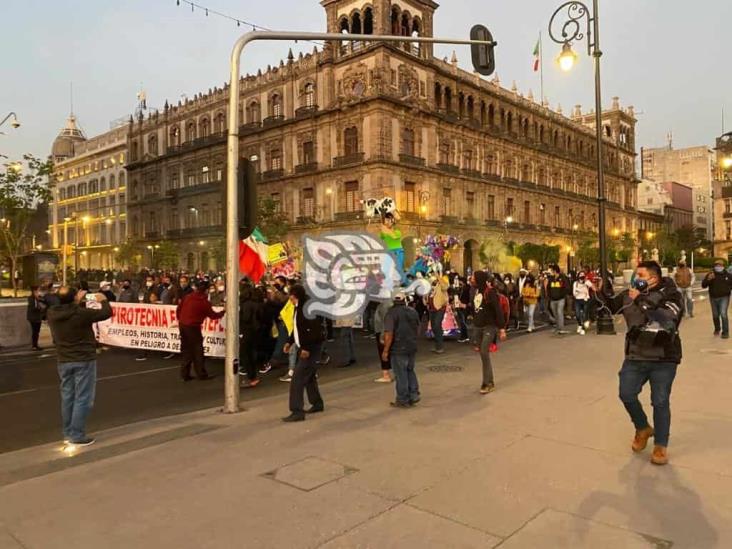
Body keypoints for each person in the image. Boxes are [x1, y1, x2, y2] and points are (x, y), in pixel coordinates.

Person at [599, 261, 683, 465]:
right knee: (626, 393)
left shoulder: (672, 294)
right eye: (635, 274)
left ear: (654, 278)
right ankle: (643, 427)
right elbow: (610, 307)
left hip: (664, 358)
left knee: (660, 401)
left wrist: (641, 300)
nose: (636, 278)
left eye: (641, 274)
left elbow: (666, 320)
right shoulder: (631, 293)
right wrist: (599, 291)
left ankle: (661, 446)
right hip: (635, 356)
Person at [47, 286, 112, 446]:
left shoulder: (52, 313)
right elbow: (106, 313)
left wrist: (77, 301)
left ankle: (68, 432)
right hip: (83, 358)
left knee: (67, 396)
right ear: (74, 298)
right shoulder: (80, 313)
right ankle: (77, 434)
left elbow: (71, 311)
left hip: (63, 359)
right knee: (83, 397)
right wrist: (103, 300)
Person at [282, 285, 325, 422]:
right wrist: (290, 341)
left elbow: (312, 330)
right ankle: (317, 403)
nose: (290, 299)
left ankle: (297, 411)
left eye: (291, 297)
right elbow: (297, 328)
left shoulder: (307, 308)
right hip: (305, 347)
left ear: (295, 296)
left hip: (310, 348)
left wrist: (306, 348)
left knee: (297, 379)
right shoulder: (298, 307)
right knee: (309, 377)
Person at [176, 280, 225, 381]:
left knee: (186, 350)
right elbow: (213, 315)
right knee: (198, 351)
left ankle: (185, 374)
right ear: (206, 291)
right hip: (193, 327)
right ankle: (201, 374)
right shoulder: (203, 302)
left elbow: (179, 309)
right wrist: (223, 312)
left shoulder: (188, 297)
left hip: (183, 325)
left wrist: (180, 319)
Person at [381, 288, 420, 407]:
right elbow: (418, 328)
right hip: (411, 346)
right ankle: (414, 395)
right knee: (410, 370)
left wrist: (385, 350)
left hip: (398, 347)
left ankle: (402, 399)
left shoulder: (391, 313)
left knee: (400, 374)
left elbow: (389, 334)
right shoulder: (412, 311)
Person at [471, 271, 506, 394]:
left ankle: (488, 382)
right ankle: (487, 380)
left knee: (484, 352)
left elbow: (498, 310)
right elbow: (475, 308)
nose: (471, 279)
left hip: (489, 327)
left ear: (479, 279)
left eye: (473, 277)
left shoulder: (490, 292)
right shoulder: (475, 291)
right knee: (482, 354)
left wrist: (501, 328)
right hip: (478, 327)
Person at [239, 285, 263, 388]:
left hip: (247, 331)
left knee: (245, 354)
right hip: (255, 331)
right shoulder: (257, 304)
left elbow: (246, 318)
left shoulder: (246, 305)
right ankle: (252, 376)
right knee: (250, 354)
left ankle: (251, 377)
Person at [701, 260, 732, 338]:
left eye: (720, 265)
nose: (718, 267)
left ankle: (725, 332)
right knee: (715, 315)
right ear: (714, 266)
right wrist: (708, 279)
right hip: (713, 298)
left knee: (723, 313)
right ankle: (717, 329)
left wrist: (727, 289)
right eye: (717, 265)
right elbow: (703, 285)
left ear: (723, 266)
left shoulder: (728, 275)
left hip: (724, 297)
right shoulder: (710, 274)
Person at [373, 298, 394, 383]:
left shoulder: (385, 305)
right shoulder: (385, 304)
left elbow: (386, 322)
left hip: (383, 332)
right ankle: (388, 374)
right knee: (388, 352)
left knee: (384, 352)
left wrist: (382, 335)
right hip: (384, 331)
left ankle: (386, 375)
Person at [546, 264, 570, 334]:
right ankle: (557, 327)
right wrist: (550, 296)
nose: (551, 271)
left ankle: (561, 328)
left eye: (552, 270)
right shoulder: (551, 278)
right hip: (553, 299)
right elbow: (548, 288)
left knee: (559, 312)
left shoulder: (563, 278)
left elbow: (567, 288)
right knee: (555, 313)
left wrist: (562, 295)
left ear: (555, 270)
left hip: (560, 299)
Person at [428, 276, 449, 353]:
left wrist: (438, 276)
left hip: (440, 308)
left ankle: (440, 347)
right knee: (434, 327)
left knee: (437, 325)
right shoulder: (430, 287)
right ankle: (437, 346)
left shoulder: (441, 286)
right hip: (432, 309)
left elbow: (445, 286)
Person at [26, 285, 47, 350]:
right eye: (38, 290)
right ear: (34, 291)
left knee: (36, 332)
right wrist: (41, 308)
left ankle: (35, 345)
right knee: (35, 331)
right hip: (34, 318)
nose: (39, 292)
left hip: (37, 317)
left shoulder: (38, 298)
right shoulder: (31, 298)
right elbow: (34, 308)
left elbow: (44, 300)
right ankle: (34, 345)